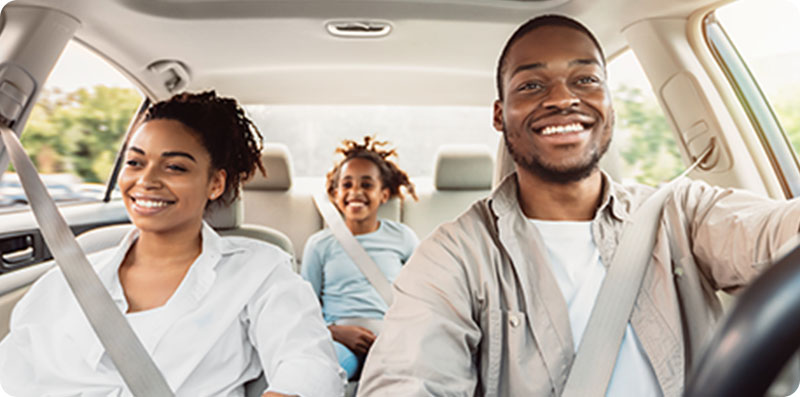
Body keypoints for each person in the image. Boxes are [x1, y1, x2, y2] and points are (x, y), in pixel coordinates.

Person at [357, 15, 800, 397]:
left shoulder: (682, 213)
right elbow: (410, 376)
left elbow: (773, 232)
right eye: (531, 85)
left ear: (609, 102)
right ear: (499, 115)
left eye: (586, 80)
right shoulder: (455, 254)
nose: (562, 98)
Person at [0, 91, 345, 396]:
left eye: (175, 167)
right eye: (135, 162)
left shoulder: (259, 270)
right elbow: (13, 370)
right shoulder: (73, 274)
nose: (146, 180)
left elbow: (309, 365)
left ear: (215, 184)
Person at [301, 136, 419, 380]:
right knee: (322, 372)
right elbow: (304, 311)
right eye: (347, 185)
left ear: (384, 194)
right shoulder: (320, 244)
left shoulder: (403, 238)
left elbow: (422, 299)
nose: (356, 192)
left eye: (366, 185)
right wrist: (334, 332)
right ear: (335, 194)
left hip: (391, 338)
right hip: (339, 338)